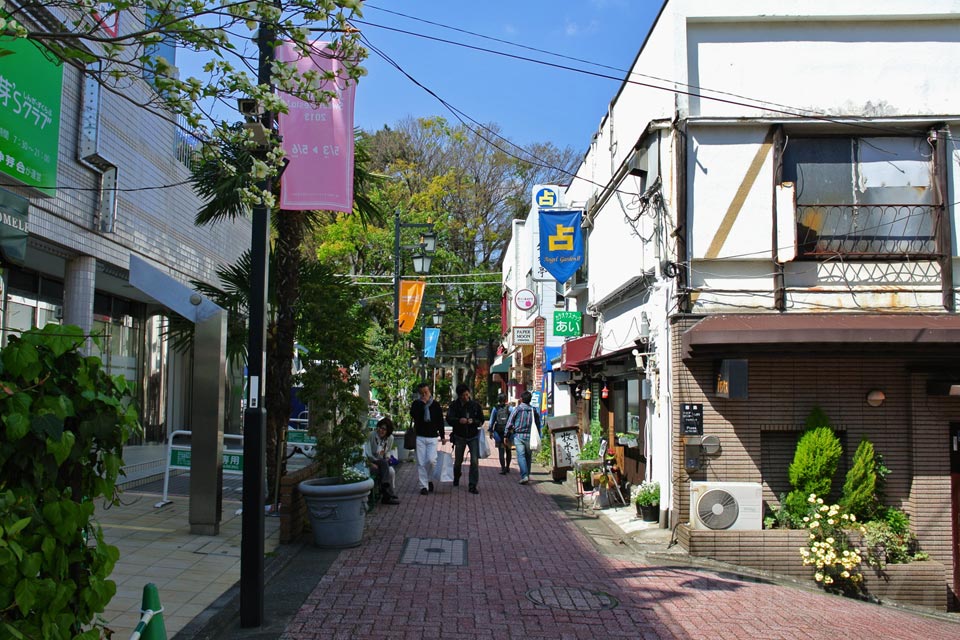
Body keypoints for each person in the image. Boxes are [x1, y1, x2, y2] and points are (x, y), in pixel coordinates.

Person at [445, 383, 485, 494]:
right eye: (464, 395)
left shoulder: (475, 405)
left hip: (473, 436)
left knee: (474, 461)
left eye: (467, 394)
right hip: (459, 436)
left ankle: (472, 485)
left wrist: (474, 421)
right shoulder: (454, 406)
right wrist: (459, 421)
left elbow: (481, 420)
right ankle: (456, 476)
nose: (466, 397)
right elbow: (449, 418)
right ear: (459, 396)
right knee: (458, 461)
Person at [410, 382, 446, 495]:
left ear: (429, 391)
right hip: (420, 436)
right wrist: (422, 405)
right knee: (421, 462)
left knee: (431, 460)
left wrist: (443, 435)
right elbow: (414, 415)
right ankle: (423, 486)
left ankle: (429, 479)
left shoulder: (435, 405)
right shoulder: (416, 404)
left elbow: (440, 421)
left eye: (426, 392)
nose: (425, 394)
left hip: (432, 437)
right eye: (422, 393)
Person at [504, 390, 541, 485]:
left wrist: (506, 434)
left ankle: (524, 475)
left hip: (519, 435)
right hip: (530, 435)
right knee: (528, 456)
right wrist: (539, 435)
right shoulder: (534, 410)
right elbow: (537, 424)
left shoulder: (517, 409)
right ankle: (527, 475)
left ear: (521, 399)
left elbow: (509, 422)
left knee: (521, 456)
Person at [365, 417, 399, 505]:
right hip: (372, 461)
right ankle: (388, 493)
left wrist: (387, 457)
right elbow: (366, 452)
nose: (381, 430)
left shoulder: (390, 438)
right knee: (384, 465)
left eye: (384, 429)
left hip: (382, 461)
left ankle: (387, 493)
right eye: (380, 428)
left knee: (391, 471)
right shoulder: (371, 435)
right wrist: (370, 463)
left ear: (388, 431)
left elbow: (388, 451)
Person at [488, 392, 514, 474]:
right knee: (508, 450)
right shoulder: (510, 408)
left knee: (501, 451)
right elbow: (513, 418)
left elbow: (491, 420)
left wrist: (490, 430)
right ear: (505, 399)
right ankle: (508, 467)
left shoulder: (495, 408)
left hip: (498, 432)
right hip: (508, 432)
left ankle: (503, 468)